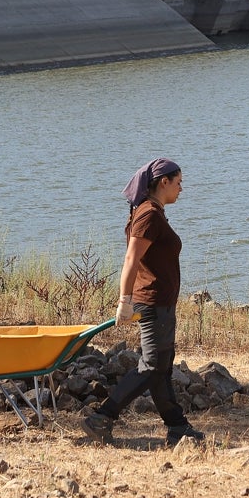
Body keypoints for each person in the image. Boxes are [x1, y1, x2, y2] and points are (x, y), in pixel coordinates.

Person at [81, 157, 206, 446]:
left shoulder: (153, 212)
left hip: (160, 302)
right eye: (179, 183)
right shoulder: (148, 214)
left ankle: (177, 426)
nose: (181, 189)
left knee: (161, 366)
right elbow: (131, 259)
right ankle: (102, 416)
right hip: (152, 304)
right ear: (164, 182)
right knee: (152, 365)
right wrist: (123, 301)